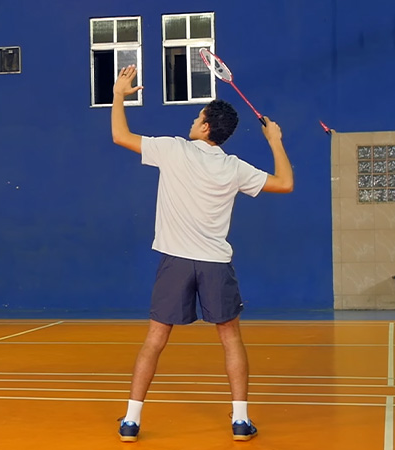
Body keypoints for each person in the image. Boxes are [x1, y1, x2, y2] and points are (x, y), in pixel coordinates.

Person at [110, 65, 293, 442]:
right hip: (215, 264)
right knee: (231, 340)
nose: (193, 121)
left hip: (175, 260)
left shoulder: (173, 149)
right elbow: (286, 183)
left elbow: (119, 135)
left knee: (155, 340)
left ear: (207, 127)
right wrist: (275, 140)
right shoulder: (234, 168)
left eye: (198, 117)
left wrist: (118, 95)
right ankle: (240, 421)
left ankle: (131, 421)